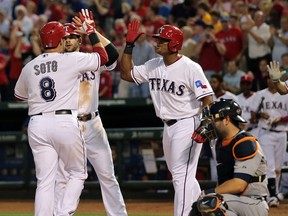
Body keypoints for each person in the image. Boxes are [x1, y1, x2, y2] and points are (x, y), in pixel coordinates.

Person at [14, 8, 109, 215]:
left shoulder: (29, 66)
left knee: (45, 181)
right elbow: (103, 56)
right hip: (65, 121)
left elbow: (18, 96)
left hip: (37, 124)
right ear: (60, 41)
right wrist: (91, 31)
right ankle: (64, 212)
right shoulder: (71, 59)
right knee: (77, 173)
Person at [120, 19, 214, 216]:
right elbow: (127, 74)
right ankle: (209, 208)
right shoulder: (154, 64)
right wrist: (128, 46)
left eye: (162, 40)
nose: (157, 42)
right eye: (158, 39)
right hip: (168, 126)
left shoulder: (190, 67)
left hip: (187, 123)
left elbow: (207, 97)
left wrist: (205, 122)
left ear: (174, 44)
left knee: (181, 176)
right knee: (182, 176)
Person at [54, 22, 127, 215]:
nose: (68, 40)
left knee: (108, 176)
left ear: (79, 40)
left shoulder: (91, 59)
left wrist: (93, 32)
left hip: (93, 124)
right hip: (68, 124)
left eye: (71, 37)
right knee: (62, 177)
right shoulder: (54, 64)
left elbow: (112, 56)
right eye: (65, 37)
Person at [190, 99, 269, 216]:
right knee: (198, 209)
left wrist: (208, 192)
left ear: (226, 120)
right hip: (235, 201)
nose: (210, 125)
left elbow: (239, 184)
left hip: (253, 203)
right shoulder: (220, 143)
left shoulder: (245, 142)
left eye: (213, 120)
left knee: (211, 203)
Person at [250, 75, 288, 207]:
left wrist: (281, 119)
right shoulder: (260, 94)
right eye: (267, 78)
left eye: (272, 78)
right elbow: (253, 115)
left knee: (278, 168)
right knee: (270, 166)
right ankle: (271, 195)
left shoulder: (285, 94)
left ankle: (274, 192)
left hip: (282, 132)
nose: (269, 81)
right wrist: (261, 115)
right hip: (265, 132)